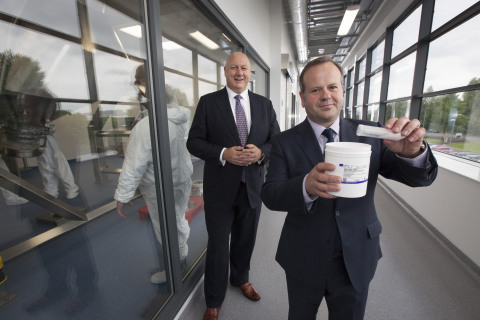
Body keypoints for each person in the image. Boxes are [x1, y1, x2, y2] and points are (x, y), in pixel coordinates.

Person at [260, 56, 438, 320]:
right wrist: (305, 186)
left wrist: (413, 153)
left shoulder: (372, 133)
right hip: (303, 256)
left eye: (332, 87)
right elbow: (271, 195)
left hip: (356, 255)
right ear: (303, 97)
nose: (326, 96)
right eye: (316, 89)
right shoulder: (284, 141)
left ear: (342, 90)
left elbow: (420, 178)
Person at [187, 52, 280, 320]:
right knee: (218, 244)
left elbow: (276, 141)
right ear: (224, 72)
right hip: (220, 189)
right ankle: (213, 300)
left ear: (250, 73)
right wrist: (223, 153)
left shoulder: (264, 104)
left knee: (245, 238)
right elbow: (194, 142)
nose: (239, 73)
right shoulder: (208, 103)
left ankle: (241, 278)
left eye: (244, 68)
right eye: (233, 68)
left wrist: (261, 153)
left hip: (252, 186)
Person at [114, 64, 193, 284]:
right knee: (177, 220)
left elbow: (133, 165)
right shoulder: (180, 117)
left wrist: (123, 196)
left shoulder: (147, 126)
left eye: (139, 82)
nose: (137, 87)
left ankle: (175, 269)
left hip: (158, 186)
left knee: (165, 229)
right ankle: (182, 258)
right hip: (181, 179)